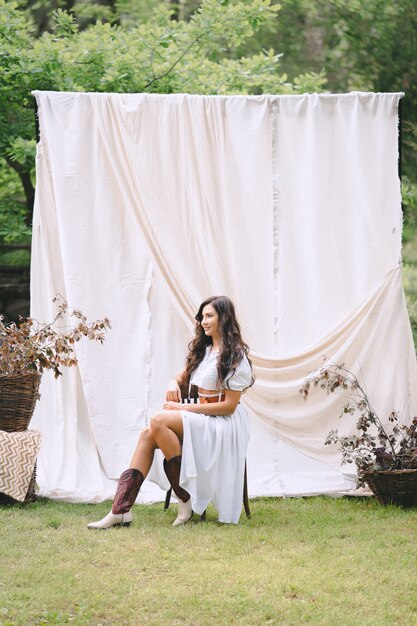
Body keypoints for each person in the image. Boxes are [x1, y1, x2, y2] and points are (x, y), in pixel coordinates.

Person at [87, 295, 254, 529]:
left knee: (158, 420)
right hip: (202, 418)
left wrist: (183, 407)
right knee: (148, 434)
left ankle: (184, 498)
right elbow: (182, 376)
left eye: (209, 316)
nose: (203, 321)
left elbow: (228, 406)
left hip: (222, 423)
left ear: (223, 318)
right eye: (202, 316)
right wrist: (171, 383)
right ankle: (120, 510)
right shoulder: (204, 349)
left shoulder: (235, 355)